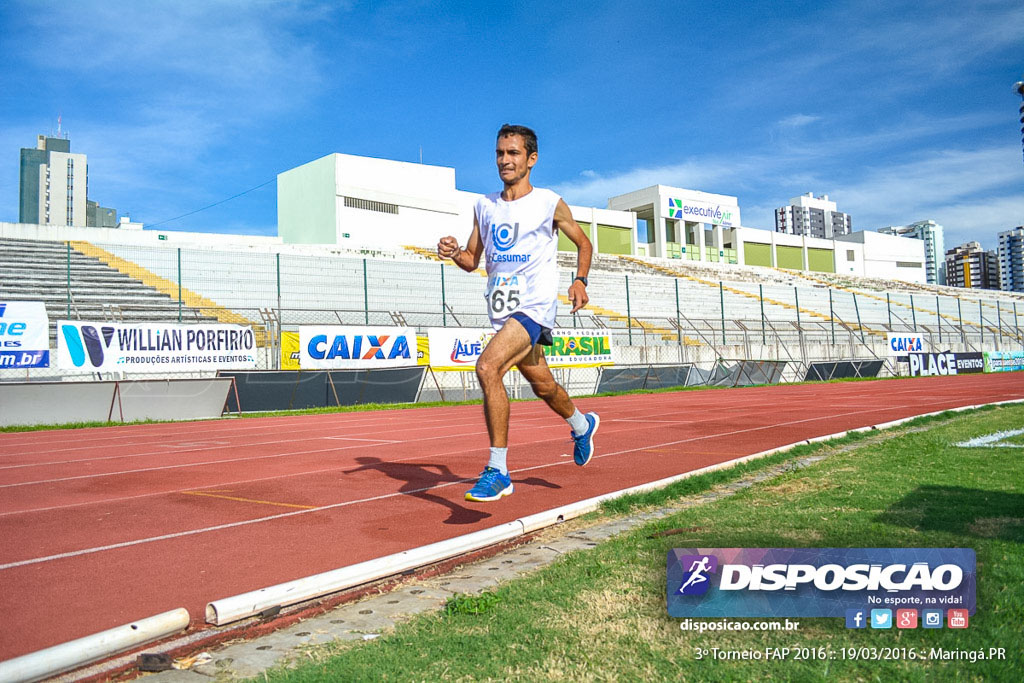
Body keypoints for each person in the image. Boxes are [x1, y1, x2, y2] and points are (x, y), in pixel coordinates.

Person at [437, 123, 599, 502]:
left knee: (487, 366)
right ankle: (581, 424)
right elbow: (470, 260)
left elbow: (584, 243)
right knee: (542, 385)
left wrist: (580, 281)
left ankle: (498, 469)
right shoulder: (484, 205)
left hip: (535, 306)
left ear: (531, 159)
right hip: (504, 310)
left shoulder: (548, 202)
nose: (504, 160)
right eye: (499, 153)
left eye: (512, 153)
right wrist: (452, 251)